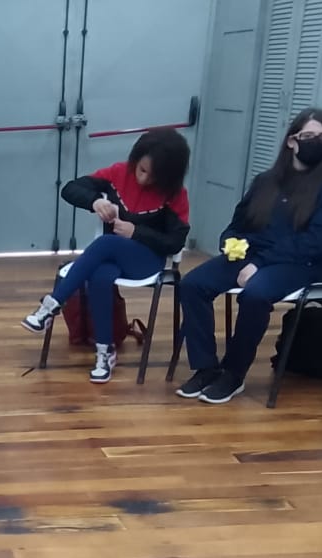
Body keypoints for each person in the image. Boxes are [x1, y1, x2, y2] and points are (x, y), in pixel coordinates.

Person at [174, 108, 322, 404]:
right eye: (309, 136)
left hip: (302, 262)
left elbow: (318, 241)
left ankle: (234, 373)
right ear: (292, 141)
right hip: (253, 254)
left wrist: (260, 263)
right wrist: (228, 241)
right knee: (193, 284)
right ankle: (206, 367)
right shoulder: (266, 180)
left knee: (256, 295)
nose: (316, 142)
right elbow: (238, 223)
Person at [20, 127, 193, 382]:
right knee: (100, 275)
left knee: (105, 244)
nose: (144, 179)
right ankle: (105, 350)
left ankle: (52, 305)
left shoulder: (176, 194)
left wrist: (136, 232)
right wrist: (95, 201)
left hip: (148, 261)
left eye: (153, 176)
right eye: (142, 170)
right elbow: (70, 189)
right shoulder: (118, 174)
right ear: (136, 159)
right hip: (112, 257)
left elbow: (175, 242)